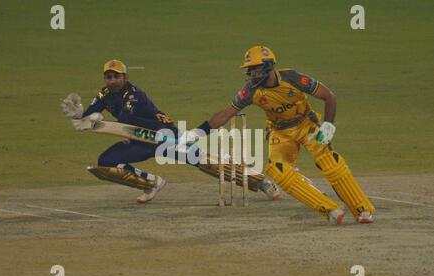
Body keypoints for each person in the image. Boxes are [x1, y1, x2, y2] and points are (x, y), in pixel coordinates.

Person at [181, 46, 375, 224]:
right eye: (250, 69)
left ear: (268, 66)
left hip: (307, 124)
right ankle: (330, 209)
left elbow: (329, 96)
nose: (252, 74)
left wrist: (328, 127)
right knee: (277, 170)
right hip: (279, 131)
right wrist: (197, 132)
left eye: (255, 69)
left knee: (329, 161)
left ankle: (362, 209)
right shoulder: (251, 91)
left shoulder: (292, 78)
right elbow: (225, 115)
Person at [61, 59, 280, 204]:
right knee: (106, 161)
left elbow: (125, 119)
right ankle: (152, 183)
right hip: (138, 139)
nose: (112, 81)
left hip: (163, 136)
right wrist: (80, 114)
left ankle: (261, 182)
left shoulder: (134, 94)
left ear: (125, 78)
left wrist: (97, 122)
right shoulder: (105, 93)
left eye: (116, 76)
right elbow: (93, 113)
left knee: (204, 161)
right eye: (108, 77)